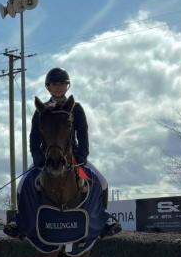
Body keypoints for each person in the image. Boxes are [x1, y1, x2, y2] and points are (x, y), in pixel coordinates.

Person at [8, 66, 118, 237]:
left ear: (67, 86)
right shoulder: (41, 110)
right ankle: (19, 222)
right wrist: (37, 157)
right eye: (54, 84)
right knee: (23, 184)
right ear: (48, 87)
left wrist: (81, 156)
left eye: (62, 83)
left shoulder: (76, 108)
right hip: (46, 158)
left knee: (102, 182)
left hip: (72, 157)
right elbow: (34, 138)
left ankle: (105, 221)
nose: (58, 87)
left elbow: (82, 134)